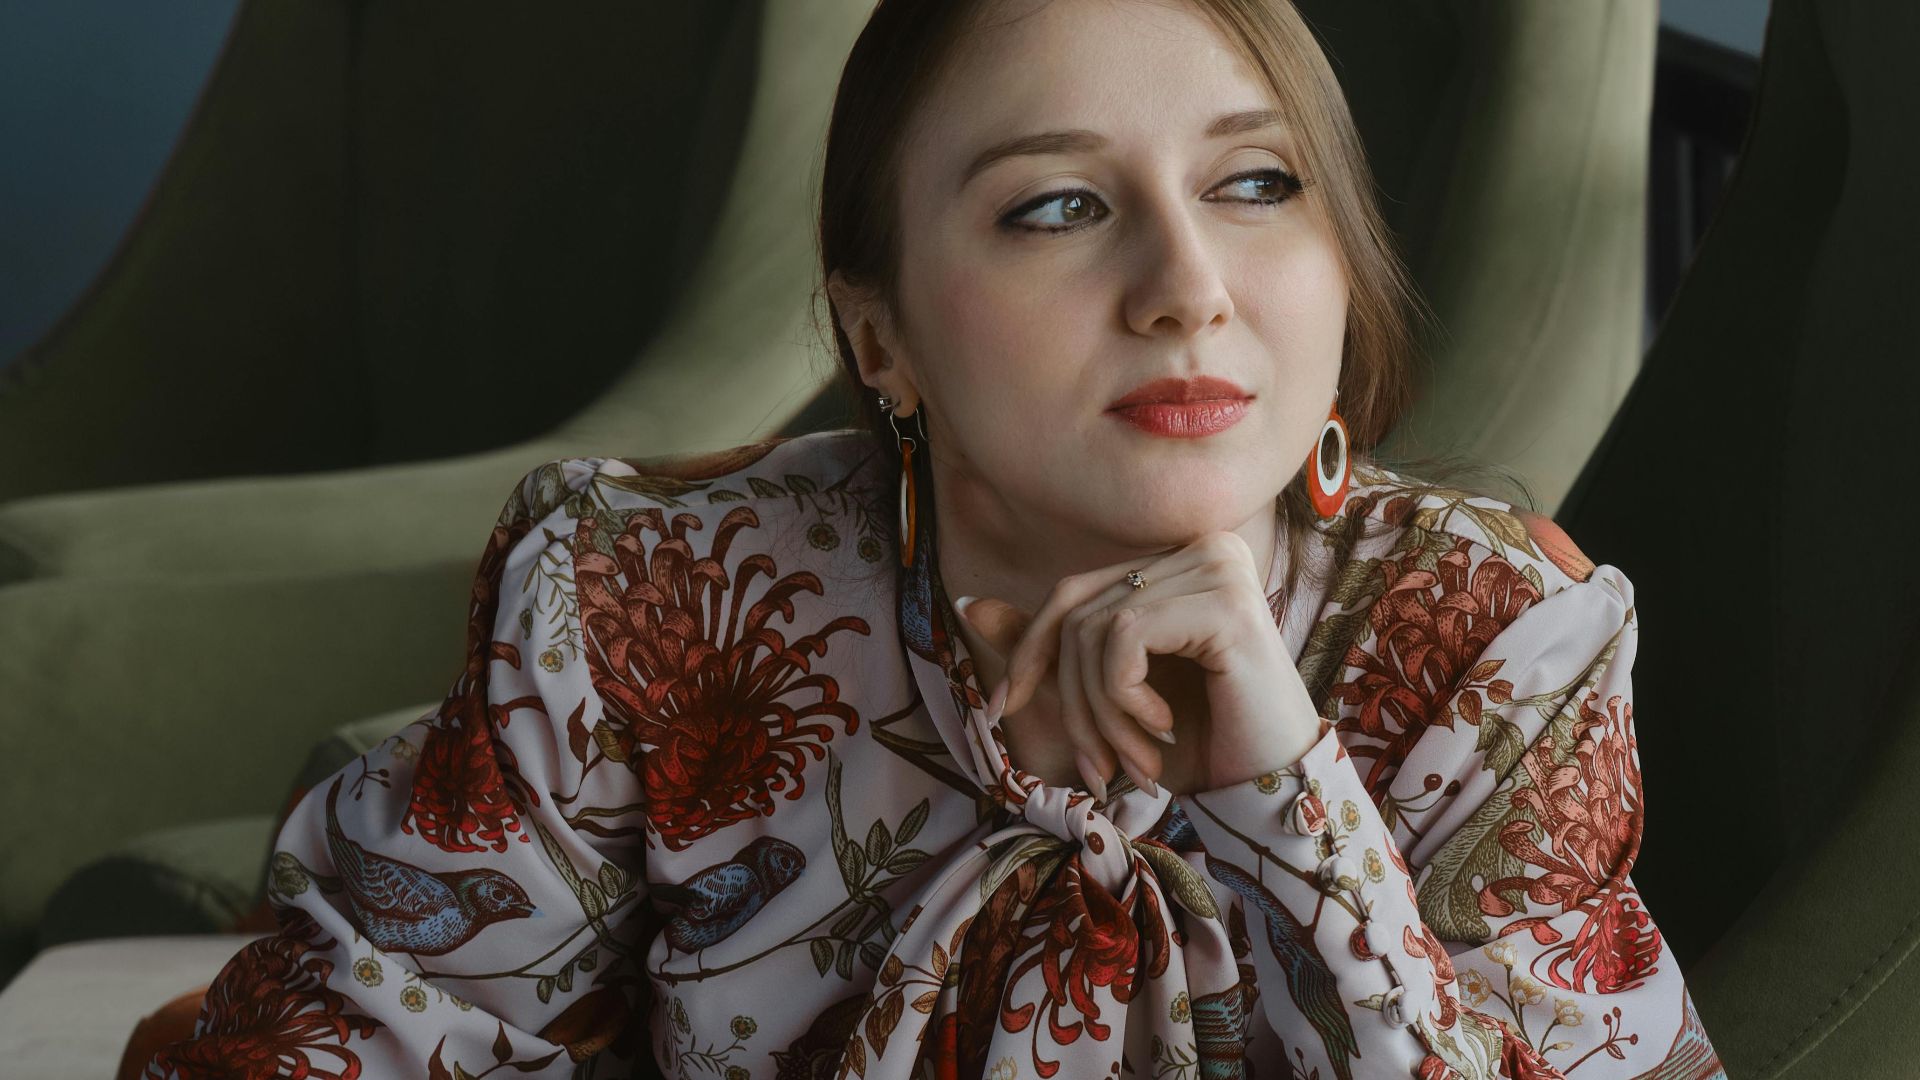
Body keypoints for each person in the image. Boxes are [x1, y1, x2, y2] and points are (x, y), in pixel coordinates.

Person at [140, 0, 1724, 1077]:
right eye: (1056, 207)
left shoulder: (1488, 648)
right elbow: (351, 1035)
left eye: (1255, 182)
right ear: (877, 333)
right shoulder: (649, 601)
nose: (1188, 284)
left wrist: (1285, 792)